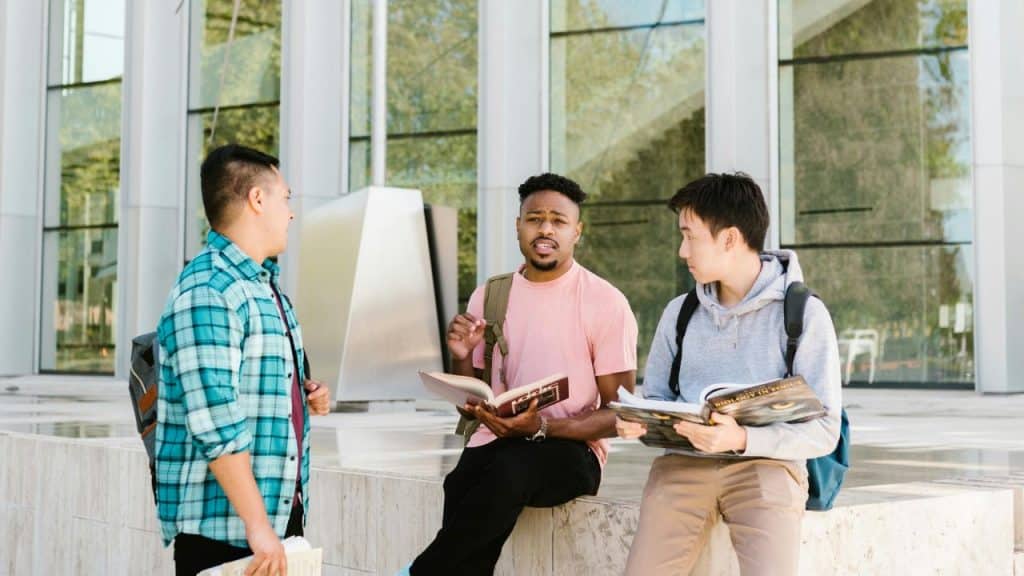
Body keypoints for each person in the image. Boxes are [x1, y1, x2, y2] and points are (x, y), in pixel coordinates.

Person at [406, 173, 639, 575]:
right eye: (534, 218)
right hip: (495, 442)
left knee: (510, 470)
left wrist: (542, 428)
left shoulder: (605, 302)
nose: (545, 229)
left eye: (558, 220)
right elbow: (472, 407)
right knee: (460, 483)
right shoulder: (491, 295)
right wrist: (461, 358)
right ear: (518, 226)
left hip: (572, 451)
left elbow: (623, 414)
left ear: (576, 232)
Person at [618, 173, 842, 576]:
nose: (682, 250)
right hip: (684, 466)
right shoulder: (679, 312)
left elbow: (825, 429)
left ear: (730, 239)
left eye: (690, 236)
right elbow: (655, 397)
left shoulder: (804, 314)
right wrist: (641, 424)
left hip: (767, 466)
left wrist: (741, 438)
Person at [155, 144, 332, 576]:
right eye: (285, 197)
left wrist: (304, 393)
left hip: (273, 522)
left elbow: (258, 383)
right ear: (257, 199)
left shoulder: (265, 286)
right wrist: (257, 525)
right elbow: (214, 421)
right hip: (227, 533)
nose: (290, 213)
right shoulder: (209, 290)